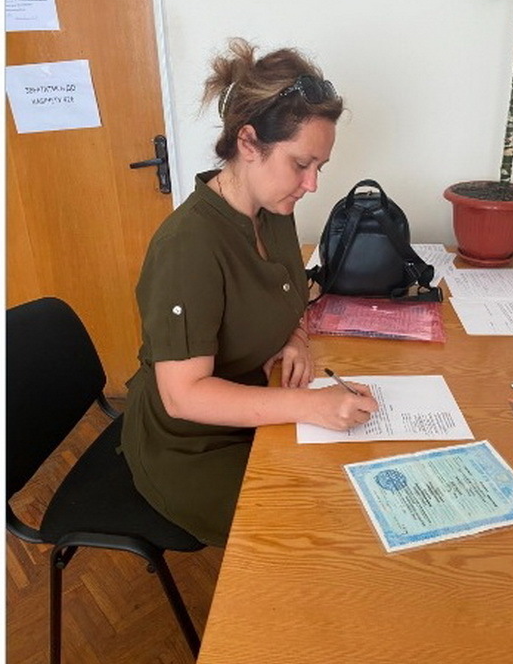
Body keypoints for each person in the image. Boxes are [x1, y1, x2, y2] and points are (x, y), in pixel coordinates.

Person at [120, 38, 379, 547]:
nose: (312, 184)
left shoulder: (272, 210)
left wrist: (294, 339)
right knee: (322, 531)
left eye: (320, 167)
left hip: (257, 405)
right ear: (248, 143)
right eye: (301, 163)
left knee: (351, 488)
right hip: (191, 445)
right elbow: (183, 395)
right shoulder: (189, 246)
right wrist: (312, 407)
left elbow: (290, 292)